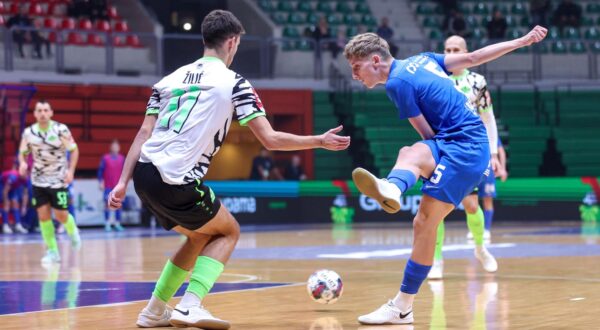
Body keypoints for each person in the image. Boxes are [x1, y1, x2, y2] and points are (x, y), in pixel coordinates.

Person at [108, 10, 350, 329]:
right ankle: (191, 304)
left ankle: (153, 311)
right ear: (233, 42)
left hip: (143, 174)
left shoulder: (167, 81)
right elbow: (271, 139)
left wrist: (122, 182)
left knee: (197, 238)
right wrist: (318, 140)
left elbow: (143, 134)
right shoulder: (235, 83)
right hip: (175, 178)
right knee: (228, 230)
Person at [343, 25, 547, 325]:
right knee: (408, 155)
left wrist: (431, 170)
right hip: (457, 143)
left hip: (464, 148)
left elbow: (427, 133)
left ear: (375, 61)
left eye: (356, 67)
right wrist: (522, 40)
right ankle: (393, 188)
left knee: (424, 219)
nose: (354, 75)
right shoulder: (422, 59)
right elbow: (476, 56)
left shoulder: (396, 85)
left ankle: (402, 306)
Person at [428, 35, 502, 280]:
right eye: (447, 49)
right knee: (436, 208)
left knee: (471, 205)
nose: (451, 52)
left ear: (466, 52)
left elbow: (488, 118)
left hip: (470, 149)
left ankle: (480, 248)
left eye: (456, 49)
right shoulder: (435, 78)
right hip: (442, 148)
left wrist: (493, 153)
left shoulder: (477, 81)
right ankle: (436, 259)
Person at [18, 100, 82, 264]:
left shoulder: (61, 130)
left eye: (46, 110)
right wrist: (23, 163)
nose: (43, 114)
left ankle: (72, 230)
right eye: (39, 110)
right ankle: (53, 252)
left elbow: (74, 151)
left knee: (61, 215)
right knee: (44, 216)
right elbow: (22, 152)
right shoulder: (29, 133)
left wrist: (71, 171)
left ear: (51, 113)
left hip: (58, 180)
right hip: (38, 180)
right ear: (35, 114)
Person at [98, 139, 126, 231]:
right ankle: (107, 223)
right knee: (107, 204)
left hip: (118, 186)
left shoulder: (122, 158)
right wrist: (100, 182)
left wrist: (125, 184)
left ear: (119, 148)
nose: (115, 148)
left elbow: (125, 172)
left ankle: (117, 224)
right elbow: (100, 171)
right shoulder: (105, 158)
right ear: (111, 147)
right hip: (108, 186)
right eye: (113, 146)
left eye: (116, 146)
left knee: (118, 204)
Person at [1, 161, 29, 234]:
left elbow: (25, 194)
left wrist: (24, 207)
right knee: (6, 204)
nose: (24, 172)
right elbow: (5, 191)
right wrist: (6, 200)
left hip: (13, 187)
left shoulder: (26, 179)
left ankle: (18, 225)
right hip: (2, 185)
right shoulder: (13, 177)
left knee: (15, 203)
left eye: (26, 171)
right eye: (23, 170)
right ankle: (5, 226)